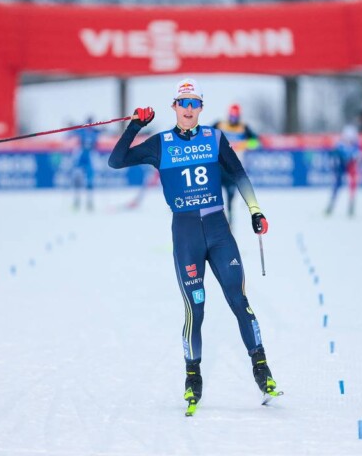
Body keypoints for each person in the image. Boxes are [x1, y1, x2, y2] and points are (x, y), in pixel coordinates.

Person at [108, 78, 278, 413]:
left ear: (201, 108)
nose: (188, 109)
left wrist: (255, 211)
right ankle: (192, 378)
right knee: (195, 310)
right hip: (186, 234)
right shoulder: (160, 144)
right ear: (174, 107)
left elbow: (240, 174)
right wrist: (135, 126)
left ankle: (262, 370)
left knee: (239, 301)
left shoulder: (215, 138)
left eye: (194, 104)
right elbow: (116, 161)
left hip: (218, 230)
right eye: (183, 104)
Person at [214, 103, 260, 225]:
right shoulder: (220, 124)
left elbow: (256, 142)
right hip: (218, 166)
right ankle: (215, 222)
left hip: (234, 168)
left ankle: (229, 223)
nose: (233, 119)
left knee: (230, 199)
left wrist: (242, 144)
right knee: (214, 196)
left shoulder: (244, 128)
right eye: (232, 116)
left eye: (236, 116)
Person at [324, 123, 361, 217]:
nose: (349, 140)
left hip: (350, 165)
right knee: (337, 185)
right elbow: (332, 157)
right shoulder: (339, 145)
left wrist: (357, 158)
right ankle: (331, 204)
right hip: (341, 166)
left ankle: (351, 204)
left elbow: (360, 157)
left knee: (353, 183)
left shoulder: (356, 145)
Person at [69, 116, 101, 211]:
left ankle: (89, 202)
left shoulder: (95, 132)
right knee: (77, 179)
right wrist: (71, 125)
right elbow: (73, 131)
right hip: (81, 156)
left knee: (90, 181)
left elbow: (102, 133)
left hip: (90, 157)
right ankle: (76, 201)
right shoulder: (82, 131)